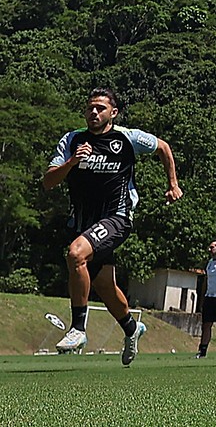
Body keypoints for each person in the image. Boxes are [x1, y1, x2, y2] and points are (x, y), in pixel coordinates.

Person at [43, 87, 182, 364]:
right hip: (82, 222)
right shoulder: (72, 140)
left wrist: (173, 184)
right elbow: (48, 182)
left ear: (113, 113)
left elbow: (163, 147)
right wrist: (72, 162)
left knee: (75, 254)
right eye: (90, 108)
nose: (94, 112)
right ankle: (132, 328)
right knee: (105, 285)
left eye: (101, 108)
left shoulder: (127, 138)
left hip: (117, 217)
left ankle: (78, 329)